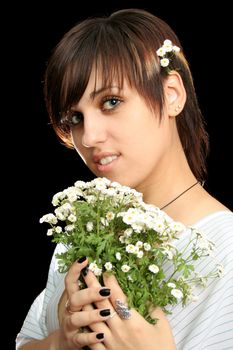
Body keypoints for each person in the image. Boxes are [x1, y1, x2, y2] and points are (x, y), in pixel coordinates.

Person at [16, 8, 233, 350]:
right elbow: (26, 342)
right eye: (74, 117)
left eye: (111, 101)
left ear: (172, 93)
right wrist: (62, 342)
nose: (88, 137)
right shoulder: (86, 235)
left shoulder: (225, 250)